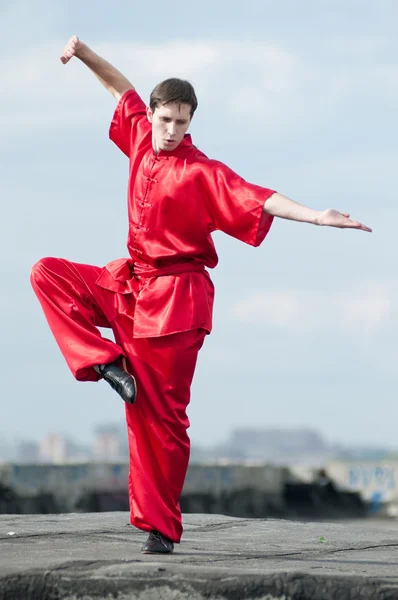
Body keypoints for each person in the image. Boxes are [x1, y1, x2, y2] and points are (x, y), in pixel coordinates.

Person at [30, 35, 372, 555]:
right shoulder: (141, 137)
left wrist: (319, 215)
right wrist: (82, 53)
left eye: (181, 122)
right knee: (46, 273)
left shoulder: (202, 171)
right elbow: (117, 86)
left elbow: (261, 197)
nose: (170, 131)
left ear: (191, 122)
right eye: (164, 120)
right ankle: (105, 364)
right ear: (152, 115)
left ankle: (161, 529)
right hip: (129, 284)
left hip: (175, 303)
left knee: (160, 419)